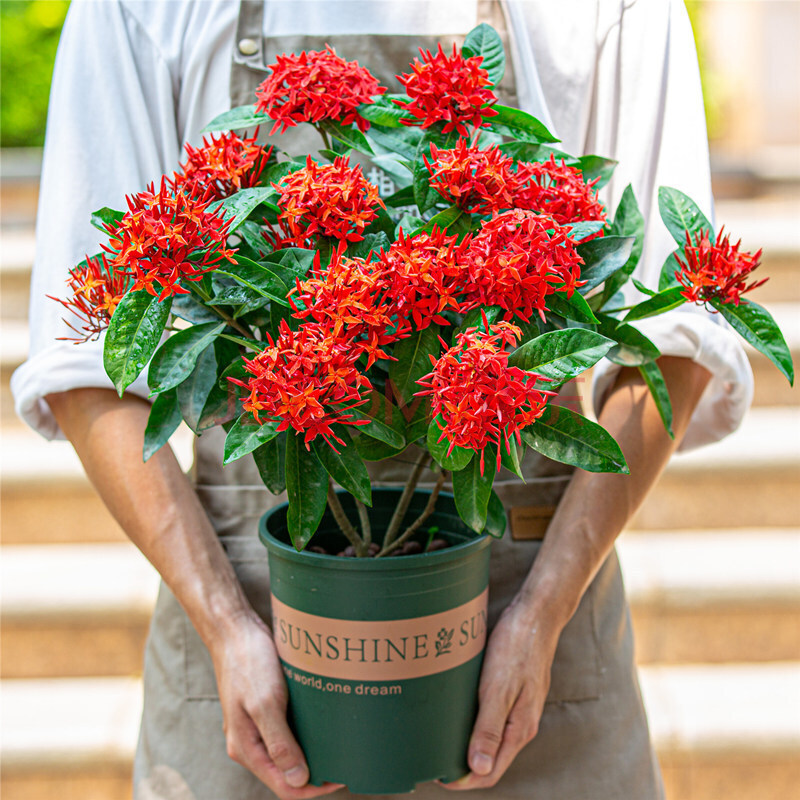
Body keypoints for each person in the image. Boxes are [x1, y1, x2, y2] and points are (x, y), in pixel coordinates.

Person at [12, 1, 753, 798]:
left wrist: (541, 612)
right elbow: (87, 363)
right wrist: (226, 627)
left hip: (539, 613)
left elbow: (676, 340)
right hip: (248, 630)